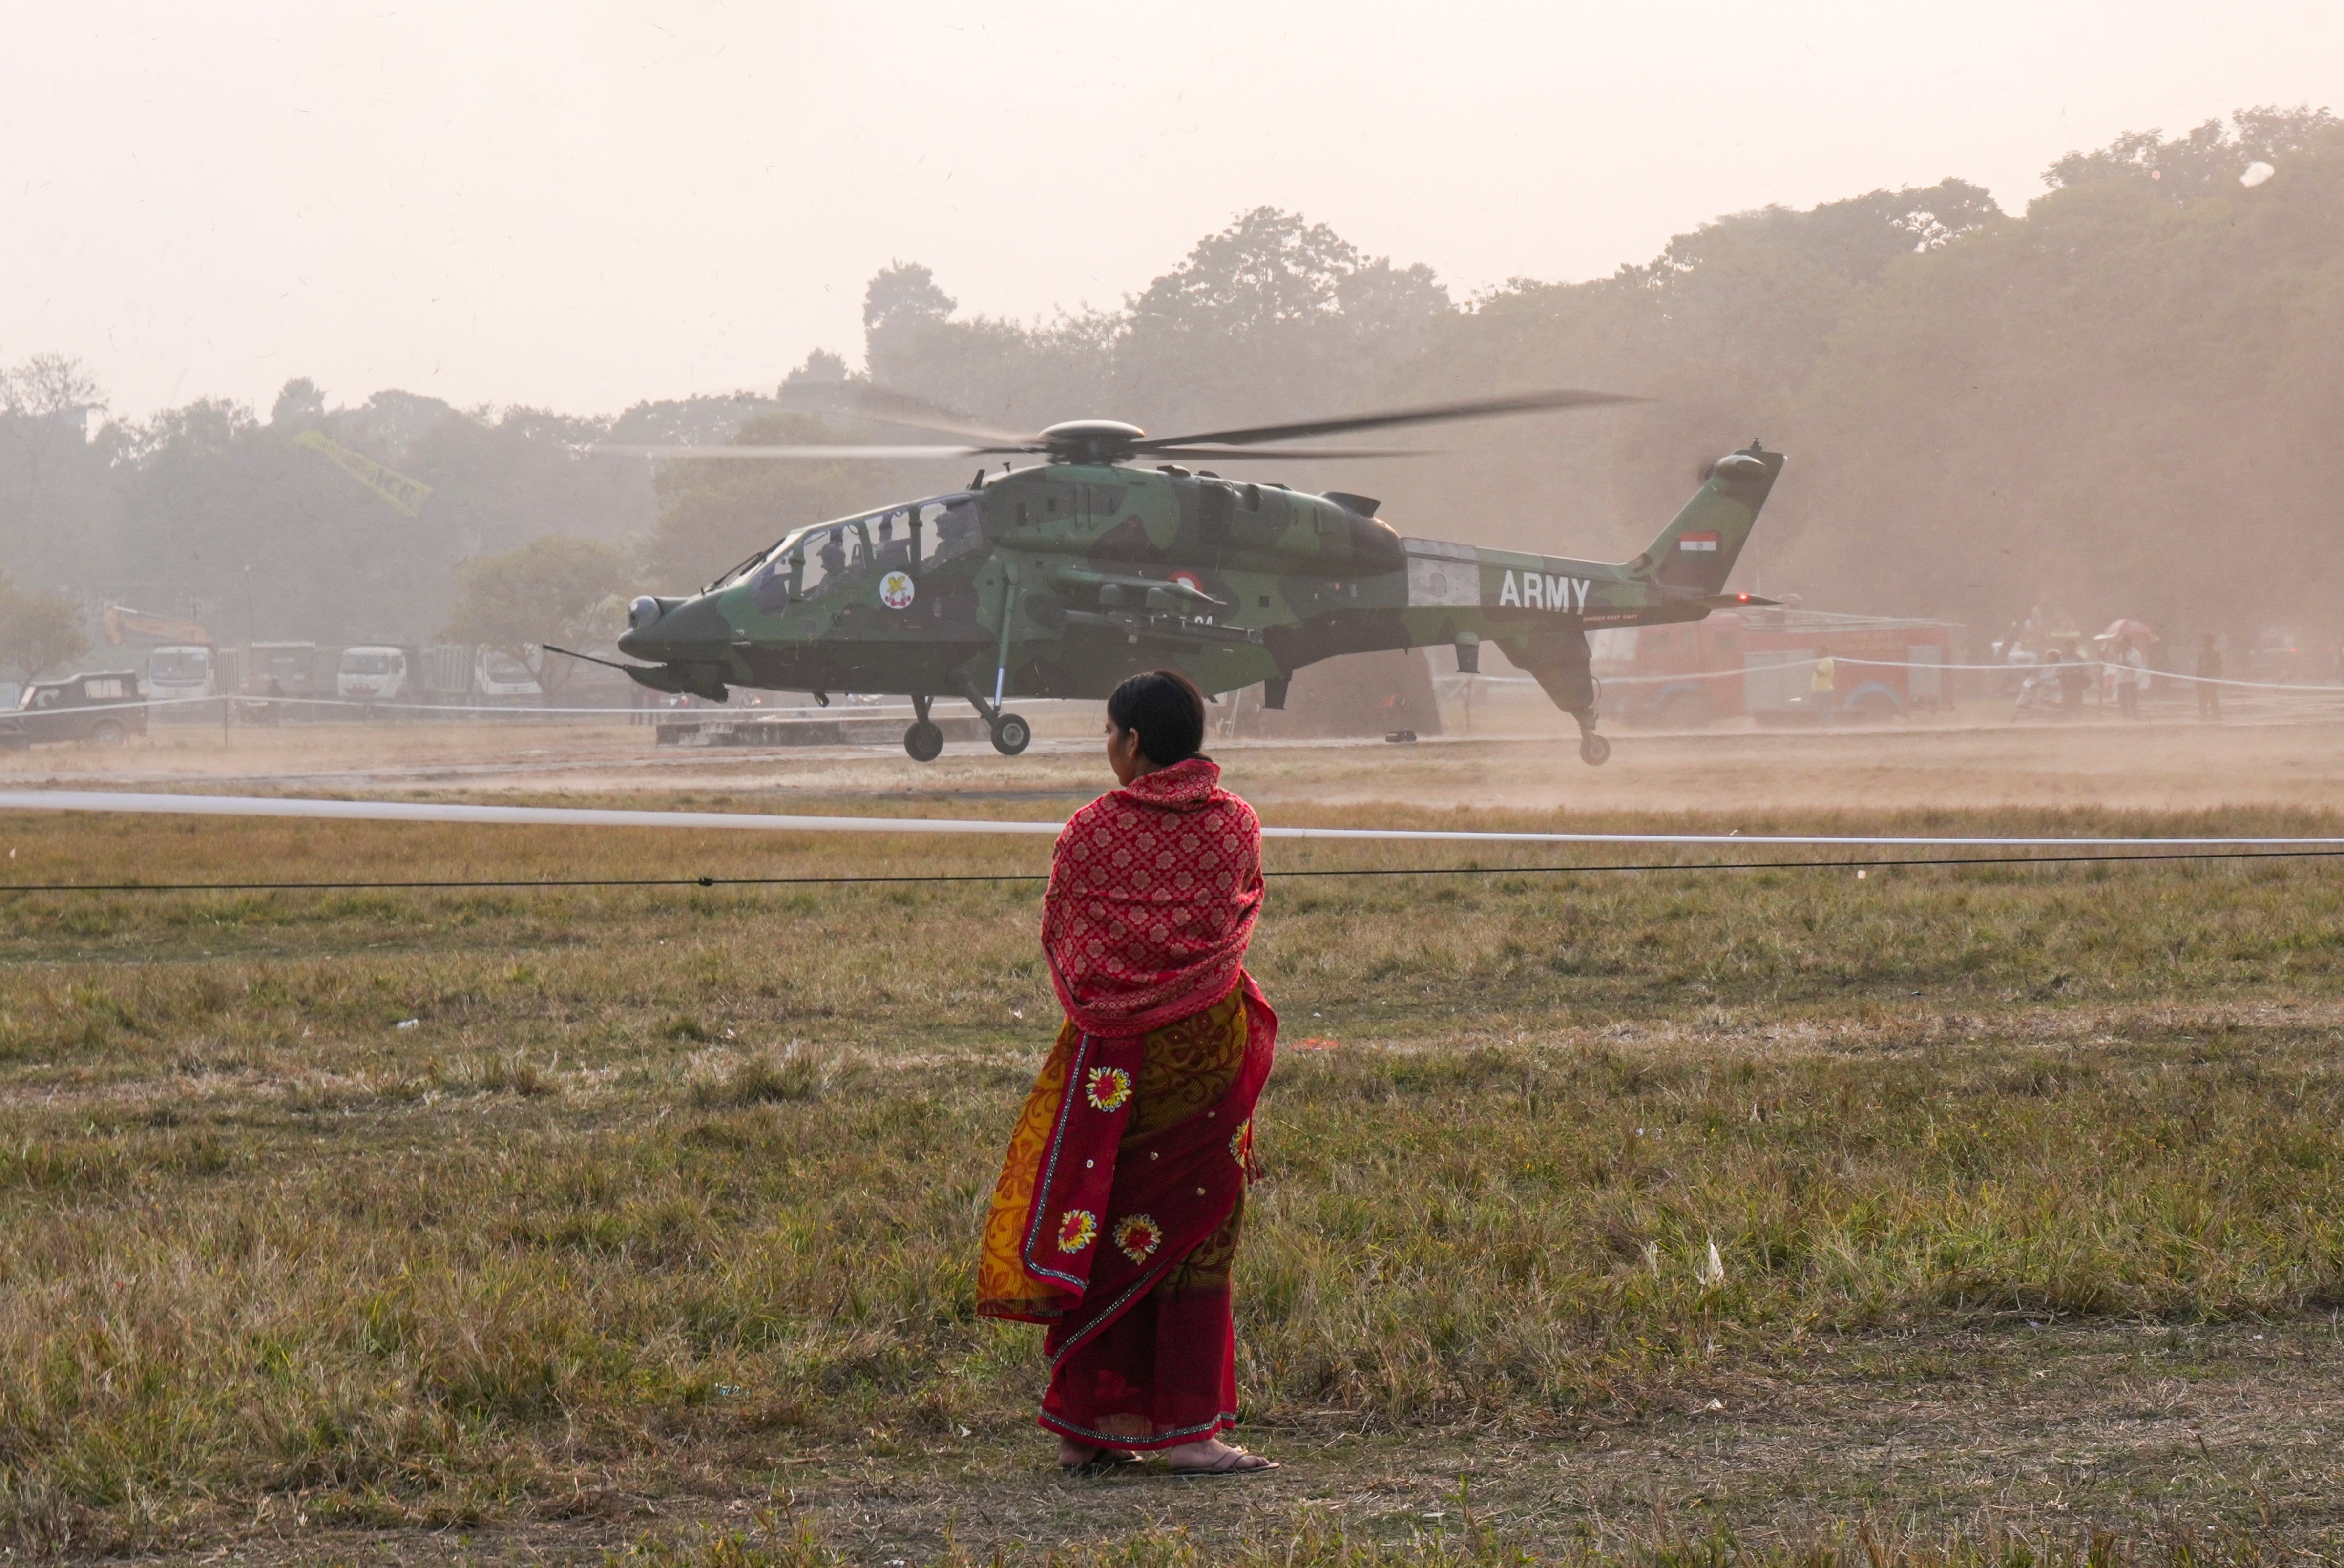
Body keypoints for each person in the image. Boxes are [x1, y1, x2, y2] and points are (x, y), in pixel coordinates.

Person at [977, 669, 1280, 1478]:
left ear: (1134, 740)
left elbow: (1063, 929)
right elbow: (1240, 905)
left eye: (1110, 733)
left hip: (1114, 1061)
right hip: (1206, 1051)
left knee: (1102, 1216)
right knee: (1194, 1234)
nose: (1108, 747)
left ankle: (1087, 1427)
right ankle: (1187, 1431)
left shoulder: (1088, 830)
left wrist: (1120, 995)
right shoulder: (1237, 823)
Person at [2114, 637, 2144, 720]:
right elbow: (2118, 666)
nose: (2124, 645)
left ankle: (2135, 716)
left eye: (2125, 643)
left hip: (2132, 680)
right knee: (2122, 698)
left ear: (2129, 643)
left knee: (2133, 699)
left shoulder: (2136, 654)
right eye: (2123, 644)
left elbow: (2134, 665)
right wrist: (2119, 657)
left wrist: (2125, 658)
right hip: (2122, 680)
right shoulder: (2121, 654)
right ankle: (2125, 715)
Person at [2197, 633, 2223, 721]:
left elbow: (2219, 669)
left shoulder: (2215, 654)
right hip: (2202, 681)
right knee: (2203, 700)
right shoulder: (2203, 654)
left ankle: (2217, 717)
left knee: (2213, 699)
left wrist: (2213, 678)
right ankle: (2203, 716)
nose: (2204, 644)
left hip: (2211, 681)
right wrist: (2198, 680)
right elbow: (2199, 667)